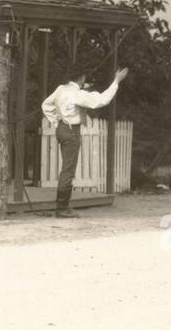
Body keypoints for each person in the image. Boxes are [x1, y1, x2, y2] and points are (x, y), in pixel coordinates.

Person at [41, 65, 129, 217]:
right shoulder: (78, 94)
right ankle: (62, 208)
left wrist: (57, 120)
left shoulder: (61, 89)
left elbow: (46, 105)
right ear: (81, 77)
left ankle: (62, 206)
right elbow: (102, 100)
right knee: (68, 169)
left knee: (66, 168)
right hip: (71, 131)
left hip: (61, 129)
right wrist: (116, 81)